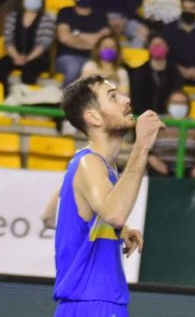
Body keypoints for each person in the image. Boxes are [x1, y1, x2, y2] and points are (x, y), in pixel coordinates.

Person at [48, 75, 162, 316]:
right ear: (93, 117)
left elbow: (104, 215)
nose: (126, 100)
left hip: (97, 302)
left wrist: (121, 230)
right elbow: (115, 213)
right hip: (92, 303)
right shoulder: (89, 163)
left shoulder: (101, 167)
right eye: (113, 97)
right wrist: (141, 146)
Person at [0, 0, 55, 94]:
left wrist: (28, 58)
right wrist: (16, 57)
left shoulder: (47, 18)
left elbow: (44, 43)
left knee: (29, 72)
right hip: (15, 55)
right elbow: (8, 40)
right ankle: (4, 98)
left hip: (37, 58)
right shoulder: (13, 17)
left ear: (42, 0)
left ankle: (26, 104)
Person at [55, 0, 112, 87]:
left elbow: (104, 40)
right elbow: (64, 38)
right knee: (73, 67)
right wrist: (93, 42)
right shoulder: (65, 12)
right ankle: (66, 102)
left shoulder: (100, 15)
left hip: (93, 58)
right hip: (67, 56)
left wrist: (76, 34)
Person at [147, 88, 195, 179]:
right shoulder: (157, 122)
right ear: (168, 104)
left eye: (182, 103)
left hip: (188, 170)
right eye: (175, 103)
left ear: (188, 106)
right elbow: (146, 148)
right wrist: (155, 162)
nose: (179, 106)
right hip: (159, 170)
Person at [127, 34, 183, 116]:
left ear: (167, 48)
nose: (157, 47)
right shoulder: (140, 72)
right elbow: (136, 99)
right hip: (144, 116)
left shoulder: (175, 73)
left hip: (168, 117)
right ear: (149, 48)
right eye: (154, 45)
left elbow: (177, 95)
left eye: (160, 44)